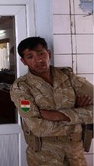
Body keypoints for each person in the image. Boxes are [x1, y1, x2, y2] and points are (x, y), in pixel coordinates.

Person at [10, 36, 93, 166]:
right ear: (23, 61)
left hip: (75, 154)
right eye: (30, 57)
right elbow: (38, 127)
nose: (38, 60)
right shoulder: (21, 87)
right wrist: (79, 117)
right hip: (44, 156)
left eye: (41, 53)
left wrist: (61, 115)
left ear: (48, 53)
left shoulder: (68, 77)